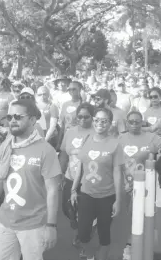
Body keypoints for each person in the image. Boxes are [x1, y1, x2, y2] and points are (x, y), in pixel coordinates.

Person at [0, 99, 60, 260]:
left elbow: (53, 190)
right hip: (5, 222)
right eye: (9, 117)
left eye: (18, 117)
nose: (12, 121)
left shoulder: (46, 150)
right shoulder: (5, 146)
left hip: (34, 225)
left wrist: (51, 226)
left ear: (32, 119)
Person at [71, 107, 123, 260]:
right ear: (93, 121)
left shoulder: (115, 144)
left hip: (107, 196)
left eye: (104, 120)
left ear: (110, 123)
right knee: (83, 233)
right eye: (97, 120)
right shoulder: (87, 139)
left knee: (104, 233)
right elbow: (80, 167)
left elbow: (117, 173)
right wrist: (74, 189)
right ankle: (89, 255)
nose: (100, 123)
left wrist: (118, 201)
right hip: (86, 194)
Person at [118, 110, 161, 259]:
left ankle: (134, 246)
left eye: (137, 121)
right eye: (131, 122)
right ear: (127, 123)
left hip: (144, 187)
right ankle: (129, 245)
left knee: (141, 215)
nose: (134, 124)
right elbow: (115, 163)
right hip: (124, 185)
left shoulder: (151, 137)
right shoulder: (120, 139)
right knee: (126, 217)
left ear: (142, 123)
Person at [59, 102, 95, 245]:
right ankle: (80, 229)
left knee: (85, 211)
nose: (82, 119)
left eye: (86, 117)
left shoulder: (96, 133)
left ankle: (84, 235)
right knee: (68, 208)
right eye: (79, 116)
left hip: (89, 179)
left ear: (92, 117)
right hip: (70, 177)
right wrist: (60, 173)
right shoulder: (70, 132)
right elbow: (63, 153)